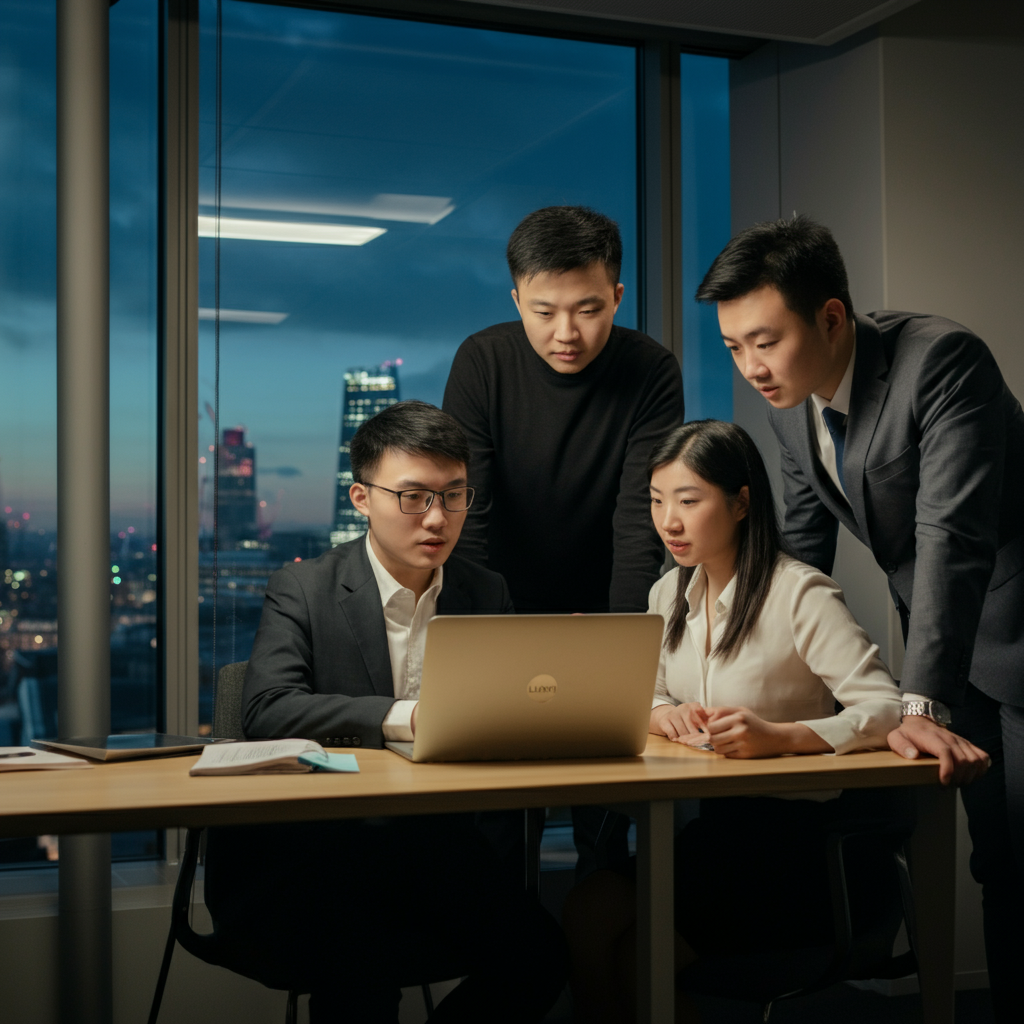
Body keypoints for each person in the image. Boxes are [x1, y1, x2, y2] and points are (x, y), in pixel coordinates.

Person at [696, 216, 1015, 1019]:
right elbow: (794, 560)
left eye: (763, 342)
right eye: (733, 347)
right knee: (1000, 865)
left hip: (1013, 628)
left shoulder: (941, 361)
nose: (750, 368)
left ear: (831, 317)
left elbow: (953, 536)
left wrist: (916, 700)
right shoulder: (789, 409)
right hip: (956, 653)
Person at [203, 401, 567, 1024]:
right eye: (413, 496)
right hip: (325, 850)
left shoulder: (485, 590)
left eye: (454, 496)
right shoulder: (307, 587)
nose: (437, 518)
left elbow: (510, 712)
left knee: (541, 956)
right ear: (361, 498)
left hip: (442, 846)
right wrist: (406, 717)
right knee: (360, 968)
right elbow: (267, 708)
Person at [564, 420, 938, 1023]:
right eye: (657, 502)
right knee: (584, 911)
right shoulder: (668, 594)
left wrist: (781, 738)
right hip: (715, 834)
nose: (669, 522)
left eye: (688, 501)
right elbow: (649, 690)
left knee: (638, 953)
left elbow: (888, 707)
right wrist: (664, 714)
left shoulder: (799, 593)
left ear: (741, 503)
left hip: (797, 848)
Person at [443, 204, 684, 876]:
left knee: (603, 826)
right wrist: (494, 637)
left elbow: (641, 520)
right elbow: (472, 513)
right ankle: (510, 964)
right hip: (495, 604)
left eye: (587, 308)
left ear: (617, 295)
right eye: (543, 310)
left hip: (604, 600)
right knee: (495, 824)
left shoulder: (651, 370)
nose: (566, 333)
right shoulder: (482, 360)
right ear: (516, 297)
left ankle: (596, 959)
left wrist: (621, 650)